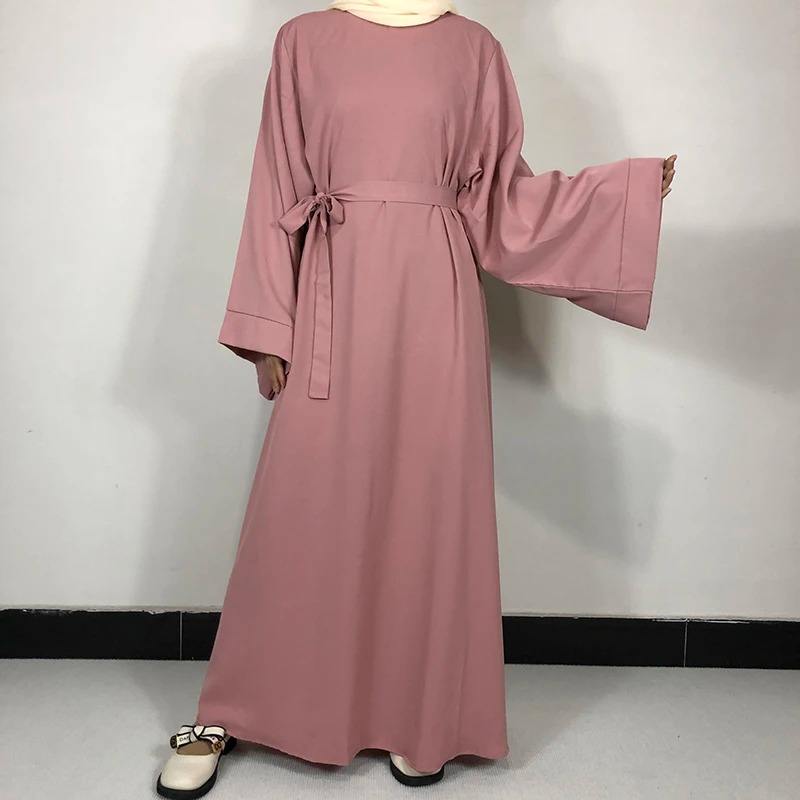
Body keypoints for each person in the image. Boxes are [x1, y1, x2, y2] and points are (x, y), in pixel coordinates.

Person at [156, 1, 676, 795]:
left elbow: (500, 199)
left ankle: (418, 714)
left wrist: (621, 197)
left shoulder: (474, 48)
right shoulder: (303, 40)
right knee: (305, 499)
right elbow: (275, 183)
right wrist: (268, 324)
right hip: (332, 289)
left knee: (425, 500)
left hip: (437, 298)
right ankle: (239, 706)